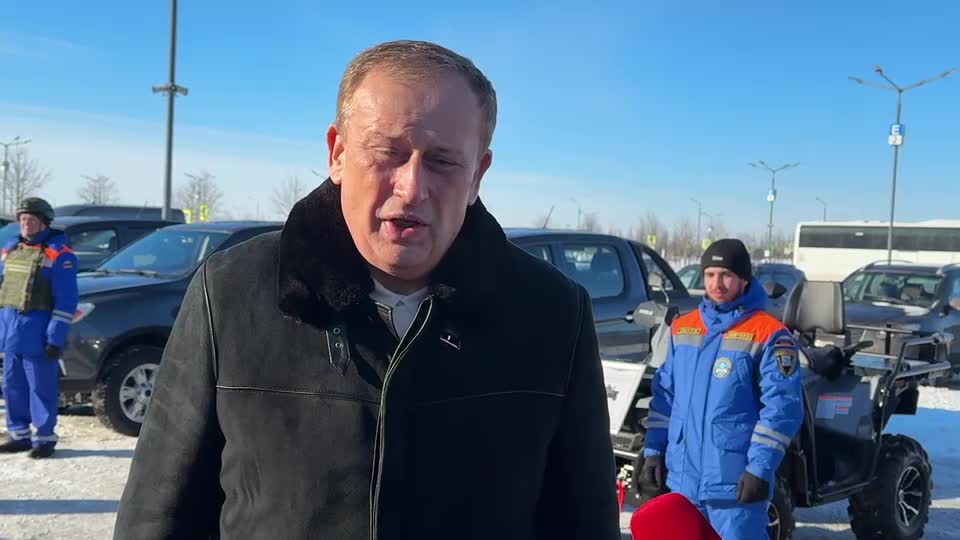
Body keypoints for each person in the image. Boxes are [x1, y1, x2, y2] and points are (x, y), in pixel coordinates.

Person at [114, 40, 620, 540]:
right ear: (337, 153)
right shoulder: (230, 293)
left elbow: (584, 521)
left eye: (443, 162)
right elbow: (158, 516)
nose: (411, 187)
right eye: (387, 153)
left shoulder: (553, 314)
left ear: (477, 176)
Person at [641, 239, 804, 540]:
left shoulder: (769, 334)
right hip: (683, 484)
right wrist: (653, 451)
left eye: (726, 275)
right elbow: (665, 398)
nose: (717, 283)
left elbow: (782, 409)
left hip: (735, 486)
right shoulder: (682, 329)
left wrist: (759, 468)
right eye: (710, 274)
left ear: (744, 279)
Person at [0, 197, 79, 459]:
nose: (25, 224)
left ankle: (44, 438)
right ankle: (19, 435)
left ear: (44, 222)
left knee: (40, 387)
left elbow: (66, 301)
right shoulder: (11, 249)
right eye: (22, 219)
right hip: (10, 332)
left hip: (38, 333)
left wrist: (54, 338)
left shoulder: (60, 254)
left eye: (31, 220)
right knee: (12, 384)